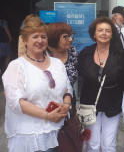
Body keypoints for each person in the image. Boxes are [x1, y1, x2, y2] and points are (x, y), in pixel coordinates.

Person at [2, 16, 72, 152]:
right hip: (30, 137)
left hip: (56, 132)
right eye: (35, 37)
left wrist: (66, 104)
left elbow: (67, 88)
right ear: (25, 40)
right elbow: (16, 102)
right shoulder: (16, 67)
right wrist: (47, 115)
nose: (40, 40)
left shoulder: (57, 64)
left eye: (43, 37)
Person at [78, 17, 124, 152]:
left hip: (113, 104)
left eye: (108, 31)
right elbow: (81, 78)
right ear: (94, 34)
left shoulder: (120, 55)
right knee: (92, 144)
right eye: (100, 30)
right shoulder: (85, 53)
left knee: (108, 145)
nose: (104, 33)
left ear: (112, 35)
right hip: (90, 104)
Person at [111, 5, 124, 131]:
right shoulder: (109, 32)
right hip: (114, 74)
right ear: (115, 16)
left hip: (123, 73)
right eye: (123, 16)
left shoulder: (122, 32)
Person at [46, 22, 78, 87]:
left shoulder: (72, 51)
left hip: (69, 95)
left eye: (70, 36)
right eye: (65, 37)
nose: (70, 39)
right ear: (54, 37)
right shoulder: (43, 54)